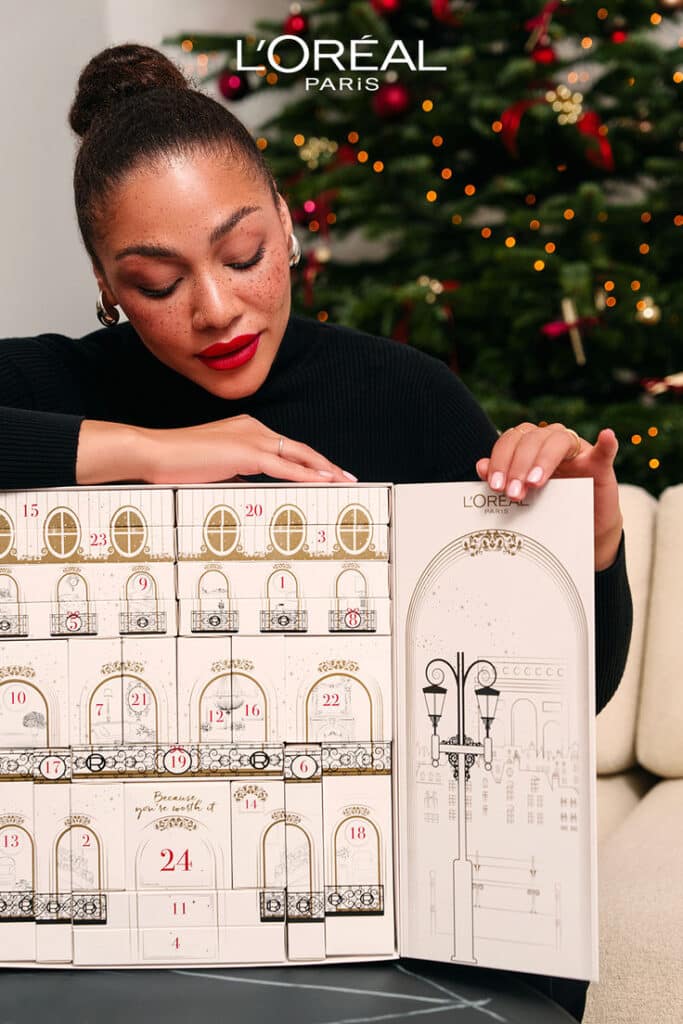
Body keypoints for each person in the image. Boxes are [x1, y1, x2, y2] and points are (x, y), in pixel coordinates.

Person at [0, 44, 632, 1020]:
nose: (216, 310)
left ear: (288, 225)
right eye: (157, 283)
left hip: (406, 930)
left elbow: (564, 701)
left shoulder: (408, 396)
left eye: (242, 255)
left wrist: (589, 549)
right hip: (119, 930)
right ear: (106, 285)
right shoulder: (60, 387)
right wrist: (145, 453)